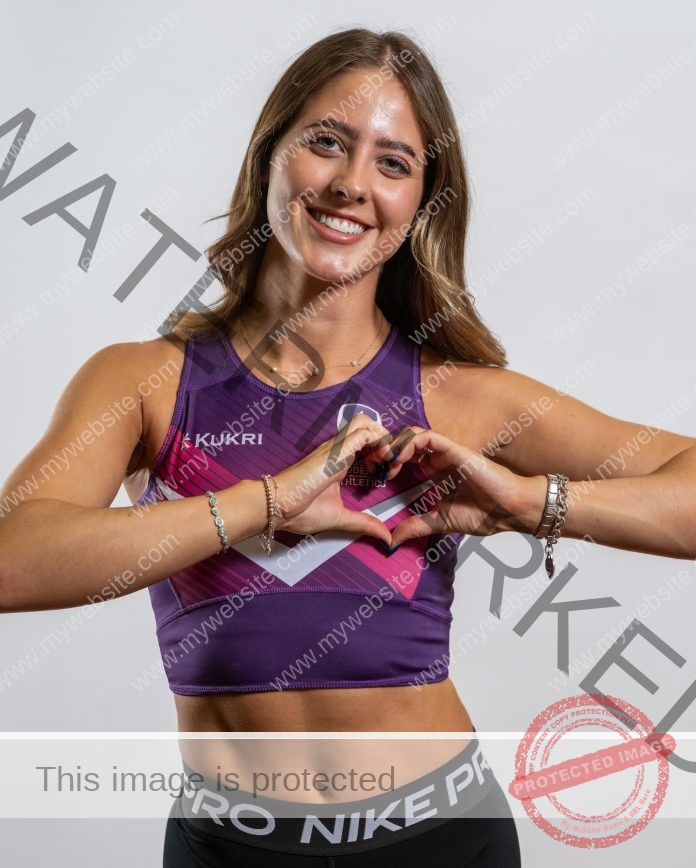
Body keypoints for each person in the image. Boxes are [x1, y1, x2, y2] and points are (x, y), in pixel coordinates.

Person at [1, 26, 695, 867]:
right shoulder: (146, 382)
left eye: (393, 162)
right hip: (227, 846)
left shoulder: (460, 395)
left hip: (439, 837)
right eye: (326, 142)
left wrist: (528, 502)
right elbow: (12, 560)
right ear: (270, 156)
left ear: (421, 204)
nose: (351, 184)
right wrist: (269, 502)